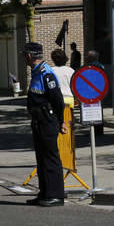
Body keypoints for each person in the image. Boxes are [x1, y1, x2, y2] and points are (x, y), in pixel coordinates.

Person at [23, 42, 67, 207]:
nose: (24, 59)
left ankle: (56, 195)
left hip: (47, 121)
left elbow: (57, 100)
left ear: (29, 56)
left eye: (24, 56)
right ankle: (45, 193)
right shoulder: (36, 72)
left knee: (50, 158)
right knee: (41, 158)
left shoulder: (46, 73)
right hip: (38, 121)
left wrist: (61, 121)